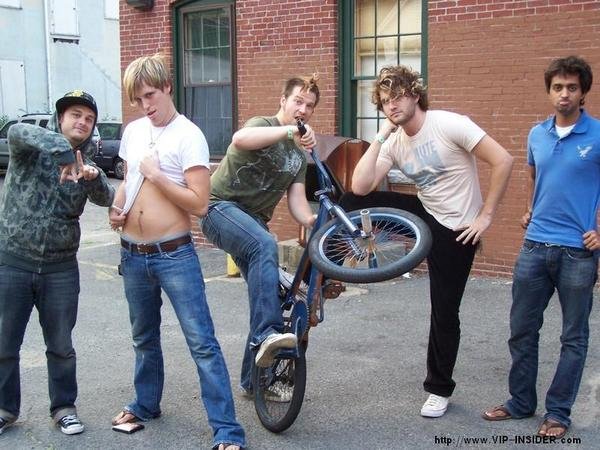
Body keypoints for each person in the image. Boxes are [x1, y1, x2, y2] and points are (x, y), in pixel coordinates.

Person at [341, 65, 513, 418]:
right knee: (349, 201)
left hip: (458, 230)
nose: (392, 105)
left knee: (444, 310)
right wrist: (380, 136)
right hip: (424, 216)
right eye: (385, 101)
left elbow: (503, 160)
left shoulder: (449, 124)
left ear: (415, 95)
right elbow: (360, 186)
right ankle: (326, 272)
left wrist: (485, 216)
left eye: (398, 96)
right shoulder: (394, 140)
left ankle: (439, 389)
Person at [108, 55, 245, 450]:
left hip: (174, 255)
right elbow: (128, 181)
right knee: (143, 337)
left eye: (150, 95)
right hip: (132, 253)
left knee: (202, 342)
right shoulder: (134, 131)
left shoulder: (189, 135)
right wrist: (118, 208)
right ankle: (145, 404)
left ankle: (227, 430)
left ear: (167, 87)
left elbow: (199, 203)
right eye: (138, 100)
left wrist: (157, 176)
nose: (145, 106)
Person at [483, 56, 600, 438]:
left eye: (571, 87)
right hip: (534, 247)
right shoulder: (537, 134)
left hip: (577, 253)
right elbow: (535, 177)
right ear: (549, 91)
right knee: (521, 330)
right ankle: (520, 402)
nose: (564, 94)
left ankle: (558, 413)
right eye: (557, 87)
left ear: (583, 92)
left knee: (573, 337)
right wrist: (531, 208)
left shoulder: (597, 135)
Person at [0, 90, 115, 436]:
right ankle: (5, 409)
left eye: (89, 119)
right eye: (75, 115)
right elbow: (16, 131)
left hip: (61, 268)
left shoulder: (88, 163)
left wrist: (93, 178)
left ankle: (64, 408)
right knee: (5, 343)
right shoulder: (29, 148)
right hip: (13, 262)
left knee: (61, 346)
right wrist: (63, 151)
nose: (82, 122)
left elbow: (107, 198)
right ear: (60, 118)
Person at [200, 75, 319, 397]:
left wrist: (312, 219)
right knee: (265, 243)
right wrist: (289, 131)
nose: (303, 109)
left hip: (252, 223)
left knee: (271, 295)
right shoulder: (263, 124)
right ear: (283, 100)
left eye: (309, 106)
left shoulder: (298, 158)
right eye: (298, 101)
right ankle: (266, 334)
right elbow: (241, 138)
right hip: (218, 207)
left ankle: (254, 382)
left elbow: (297, 201)